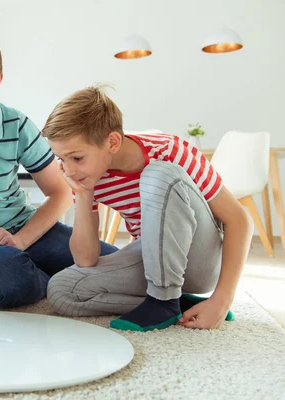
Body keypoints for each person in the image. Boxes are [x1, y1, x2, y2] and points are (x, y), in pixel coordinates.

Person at [0, 30, 118, 308]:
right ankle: (67, 282)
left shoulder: (16, 124)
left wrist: (21, 240)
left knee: (114, 263)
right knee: (7, 281)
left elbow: (60, 193)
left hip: (28, 231)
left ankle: (63, 277)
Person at [42, 86, 252, 331]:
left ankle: (163, 302)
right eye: (61, 159)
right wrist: (84, 194)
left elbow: (239, 219)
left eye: (76, 158)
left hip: (200, 260)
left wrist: (221, 300)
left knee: (159, 173)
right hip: (154, 260)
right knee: (62, 291)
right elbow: (86, 259)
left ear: (112, 142)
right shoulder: (88, 175)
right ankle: (175, 301)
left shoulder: (168, 151)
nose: (68, 170)